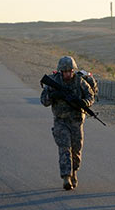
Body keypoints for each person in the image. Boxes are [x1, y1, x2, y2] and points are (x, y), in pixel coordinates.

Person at [40, 56, 95, 190]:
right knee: (64, 148)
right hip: (61, 121)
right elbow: (44, 101)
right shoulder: (53, 82)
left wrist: (85, 103)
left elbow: (90, 96)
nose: (67, 74)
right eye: (65, 71)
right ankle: (66, 177)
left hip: (76, 121)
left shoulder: (80, 82)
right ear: (60, 71)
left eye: (70, 71)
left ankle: (74, 172)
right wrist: (52, 96)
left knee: (76, 151)